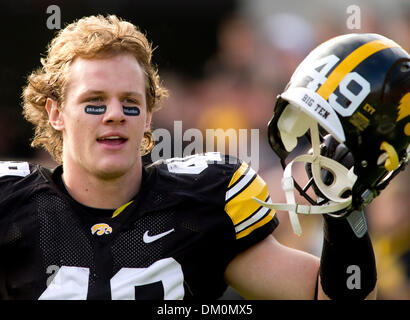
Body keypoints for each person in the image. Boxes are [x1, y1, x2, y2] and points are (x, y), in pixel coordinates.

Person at [0, 14, 408, 300]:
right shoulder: (12, 204)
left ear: (148, 119)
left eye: (130, 102)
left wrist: (344, 217)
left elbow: (334, 296)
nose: (114, 115)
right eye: (93, 102)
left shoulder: (203, 201)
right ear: (55, 113)